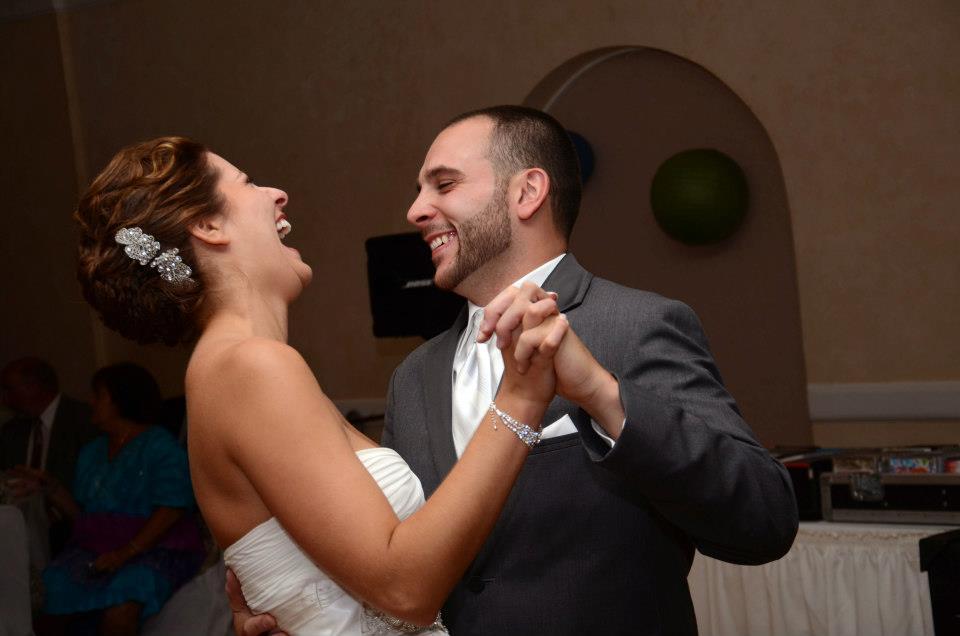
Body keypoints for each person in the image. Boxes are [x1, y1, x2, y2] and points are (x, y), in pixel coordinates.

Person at [226, 105, 800, 636]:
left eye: (444, 184)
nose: (415, 211)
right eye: (419, 191)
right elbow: (399, 560)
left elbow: (764, 522)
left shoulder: (636, 325)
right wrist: (298, 607)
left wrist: (602, 395)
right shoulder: (413, 377)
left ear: (527, 192)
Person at [73, 136, 571, 635]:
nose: (277, 194)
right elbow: (405, 591)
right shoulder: (250, 367)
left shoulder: (228, 369)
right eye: (247, 183)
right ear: (208, 226)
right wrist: (521, 397)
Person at [28, 362, 204, 636]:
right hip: (95, 549)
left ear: (121, 399)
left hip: (154, 548)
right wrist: (51, 488)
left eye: (98, 395)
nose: (91, 402)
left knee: (124, 601)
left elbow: (172, 509)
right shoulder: (92, 451)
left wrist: (125, 553)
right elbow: (85, 516)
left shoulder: (161, 447)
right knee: (49, 590)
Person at [1, 357, 98, 554]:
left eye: (9, 390)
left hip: (72, 530)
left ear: (33, 387)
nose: (5, 399)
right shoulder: (12, 430)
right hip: (21, 529)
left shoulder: (85, 421)